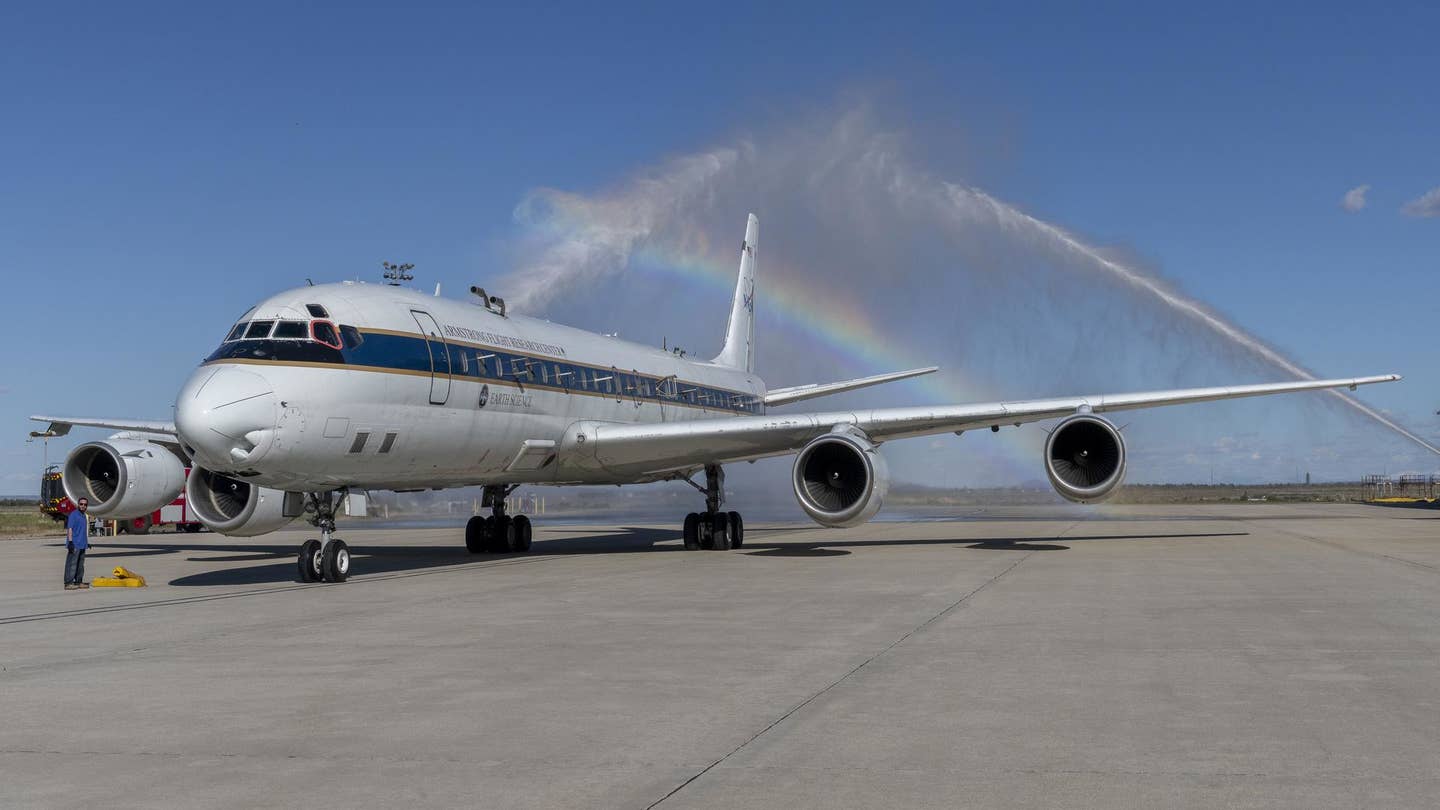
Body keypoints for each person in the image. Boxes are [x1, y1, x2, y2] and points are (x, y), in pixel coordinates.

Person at [64, 498, 90, 590]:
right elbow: (70, 528)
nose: (83, 506)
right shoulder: (73, 515)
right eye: (81, 504)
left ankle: (78, 581)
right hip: (75, 544)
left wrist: (87, 542)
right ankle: (68, 583)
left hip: (82, 544)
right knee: (72, 564)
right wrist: (70, 542)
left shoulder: (84, 516)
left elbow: (83, 531)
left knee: (80, 565)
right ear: (78, 504)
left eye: (85, 504)